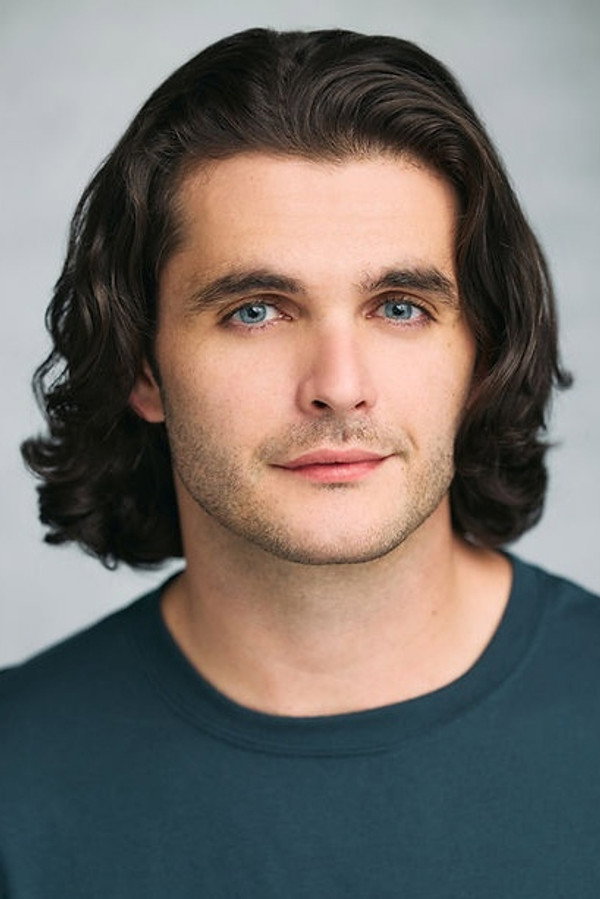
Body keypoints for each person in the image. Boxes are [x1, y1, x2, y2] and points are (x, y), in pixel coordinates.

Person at [2, 25, 598, 897]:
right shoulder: (16, 777)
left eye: (399, 306)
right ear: (142, 366)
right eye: (256, 310)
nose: (339, 387)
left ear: (482, 352)